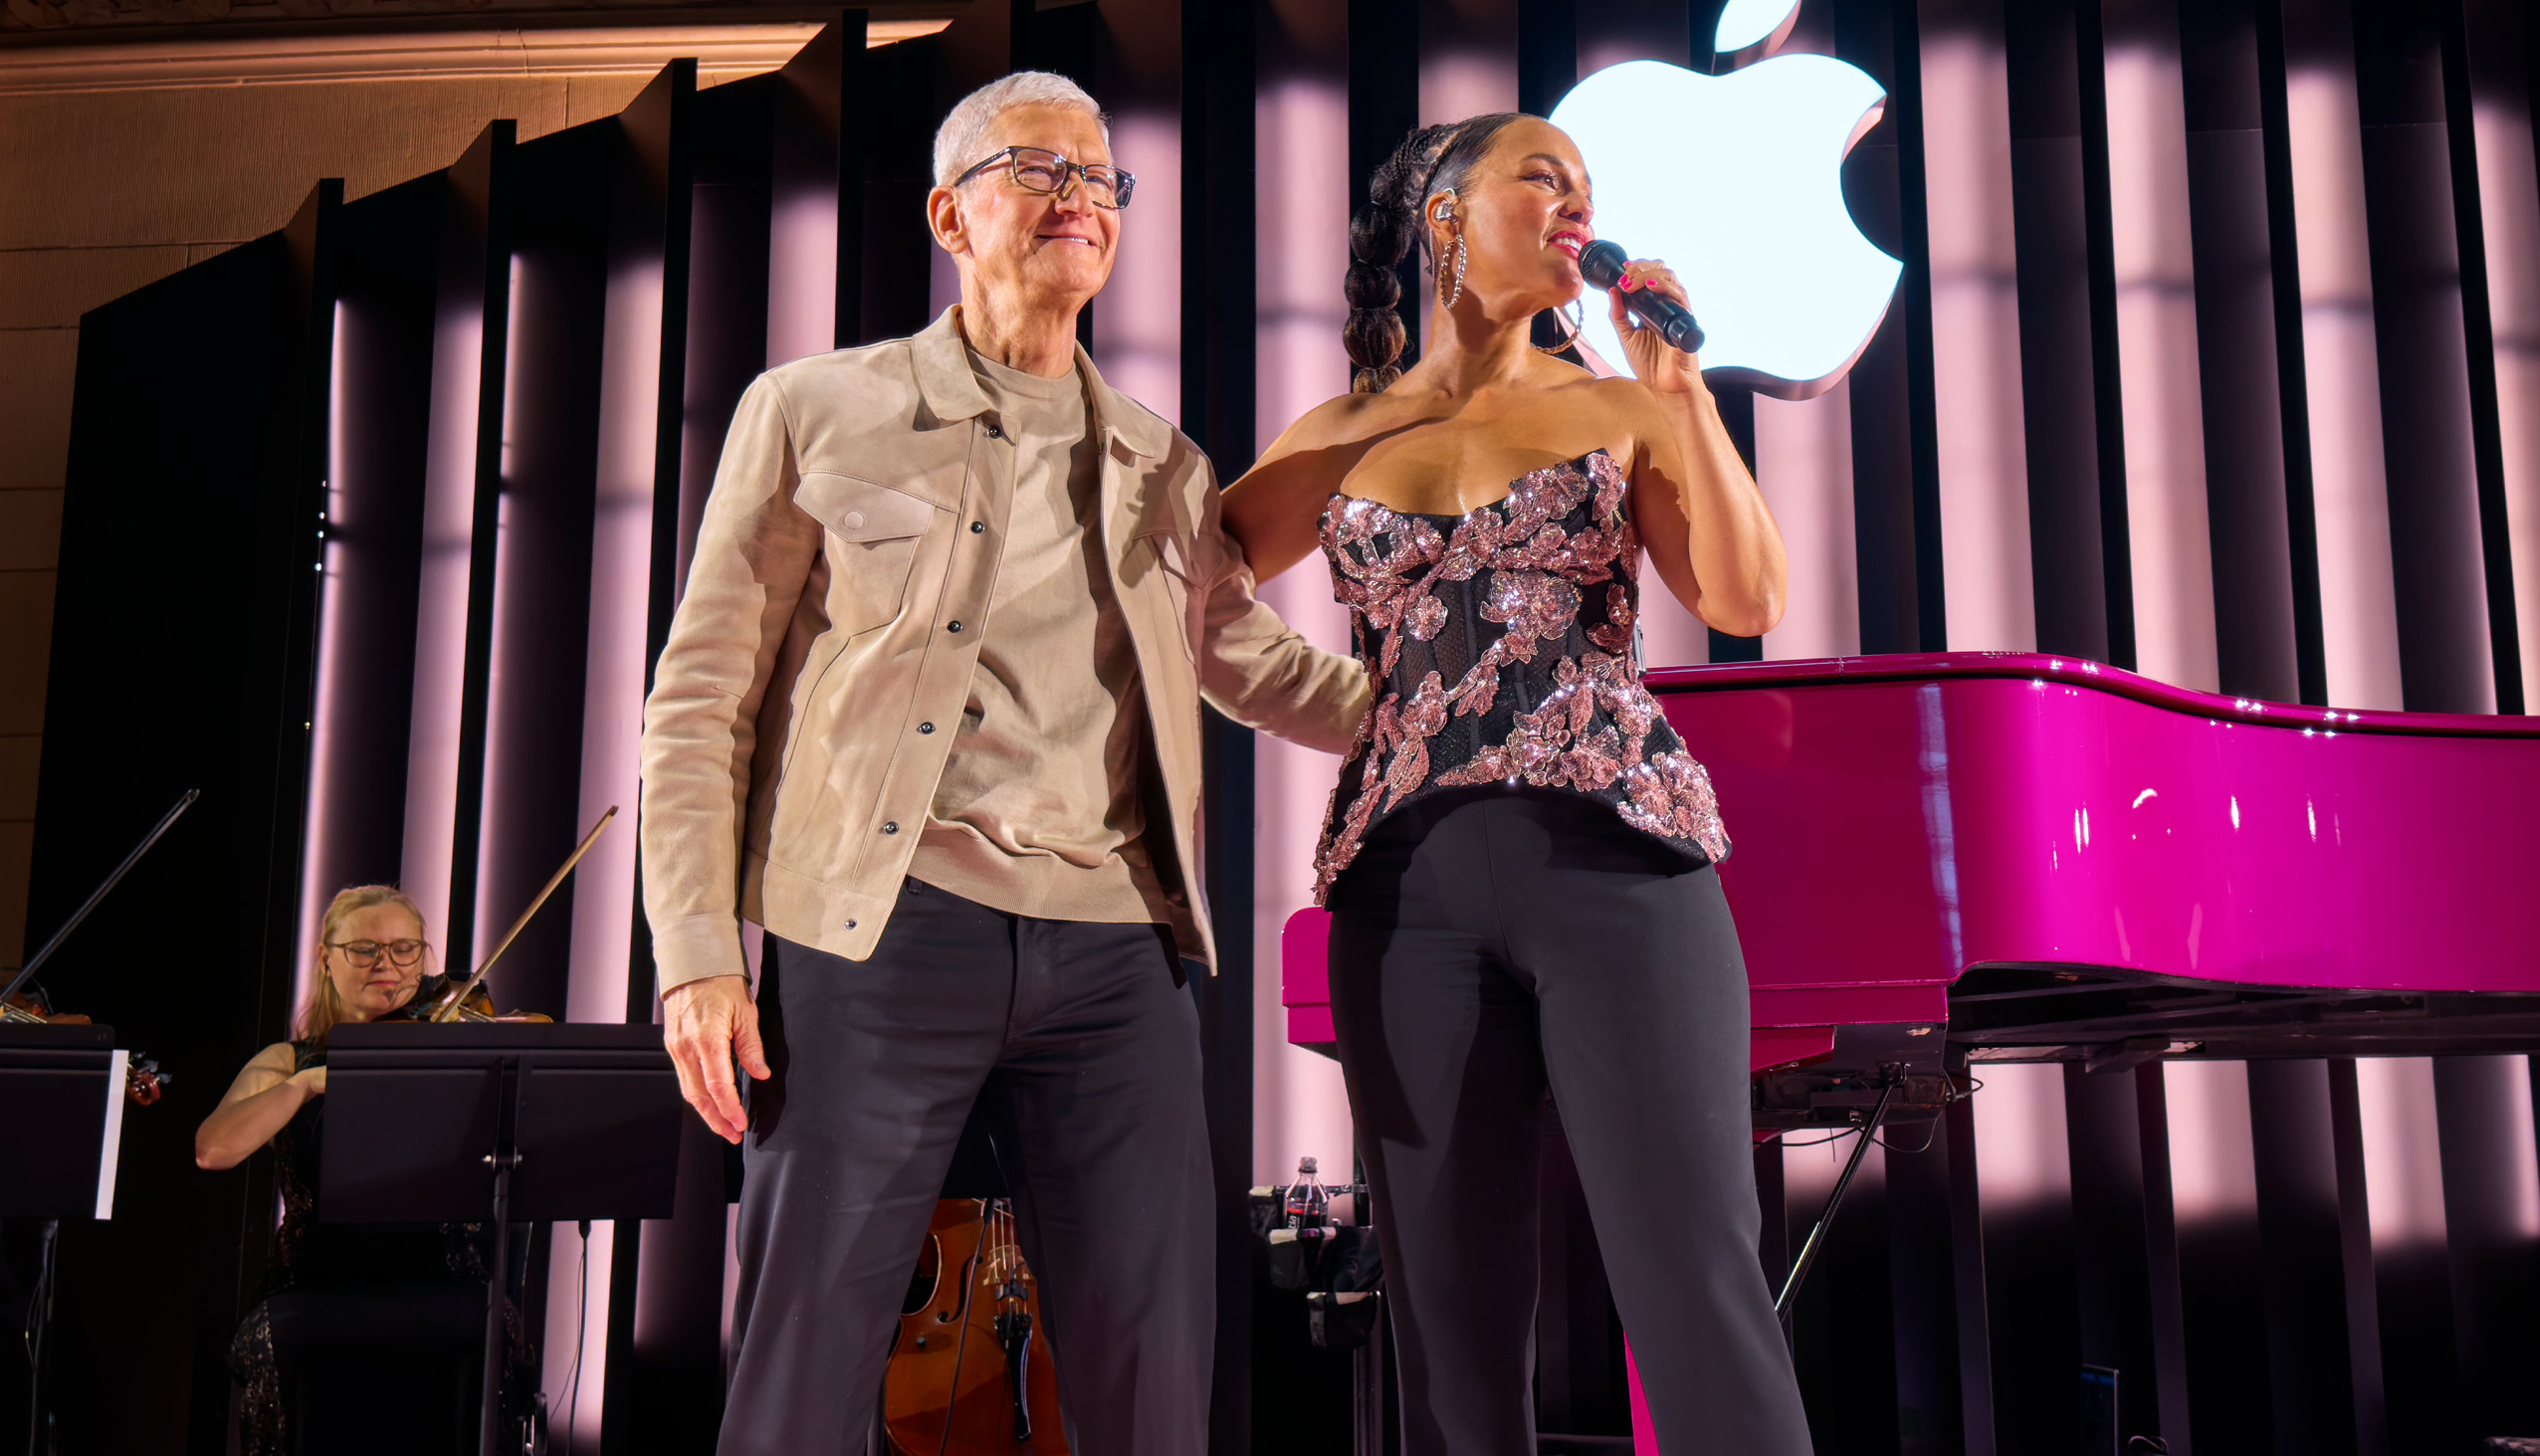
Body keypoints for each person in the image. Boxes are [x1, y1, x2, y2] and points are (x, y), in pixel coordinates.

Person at [639, 70, 1368, 1455]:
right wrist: (695, 951)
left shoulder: (1162, 462)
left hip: (1116, 948)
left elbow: (1251, 660)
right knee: (807, 1346)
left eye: (1101, 180)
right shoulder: (812, 407)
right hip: (878, 931)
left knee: (1154, 1360)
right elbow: (699, 699)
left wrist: (1451, 716)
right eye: (1037, 168)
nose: (1076, 198)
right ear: (948, 213)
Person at [1220, 112, 1813, 1454]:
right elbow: (1174, 579)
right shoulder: (1341, 433)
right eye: (1540, 173)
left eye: (1585, 186)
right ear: (1442, 213)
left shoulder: (1618, 403)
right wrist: (1316, 703)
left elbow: (1742, 593)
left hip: (1616, 862)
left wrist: (1681, 391)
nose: (1574, 200)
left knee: (1693, 1280)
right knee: (1448, 1332)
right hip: (1401, 898)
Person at [197, 885, 517, 1456]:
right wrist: (304, 1085)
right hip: (313, 1281)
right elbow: (214, 1150)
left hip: (444, 1276)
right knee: (287, 1342)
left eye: (404, 950)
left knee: (493, 1332)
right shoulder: (288, 1061)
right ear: (326, 957)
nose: (386, 966)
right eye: (364, 949)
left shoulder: (455, 1046)